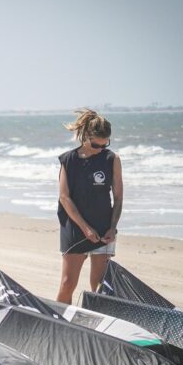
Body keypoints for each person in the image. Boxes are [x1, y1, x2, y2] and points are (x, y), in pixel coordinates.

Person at [56, 109, 123, 304]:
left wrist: (112, 227)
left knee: (100, 287)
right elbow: (64, 198)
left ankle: (95, 329)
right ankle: (60, 325)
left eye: (105, 144)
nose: (99, 149)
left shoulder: (112, 159)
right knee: (67, 284)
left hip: (104, 228)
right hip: (75, 227)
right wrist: (85, 228)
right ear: (85, 136)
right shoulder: (68, 160)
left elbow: (118, 197)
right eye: (95, 144)